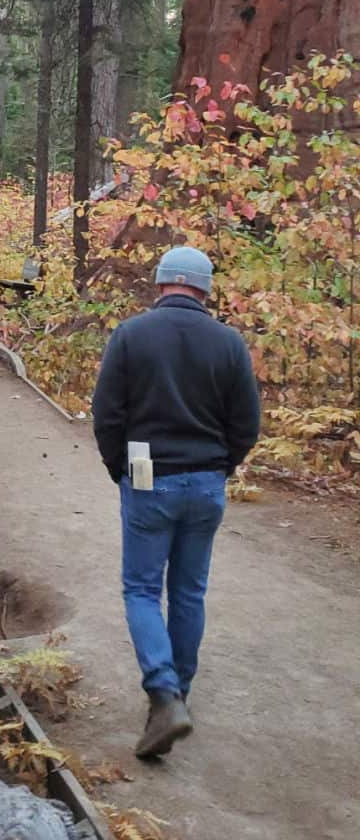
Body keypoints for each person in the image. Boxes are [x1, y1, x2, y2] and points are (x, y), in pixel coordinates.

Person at [92, 245, 260, 759]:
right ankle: (177, 696)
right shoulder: (229, 343)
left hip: (149, 481)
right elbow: (246, 424)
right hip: (206, 483)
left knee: (142, 590)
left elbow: (107, 414)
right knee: (189, 592)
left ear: (161, 283)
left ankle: (163, 694)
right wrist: (221, 466)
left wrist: (120, 469)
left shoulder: (131, 334)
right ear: (205, 289)